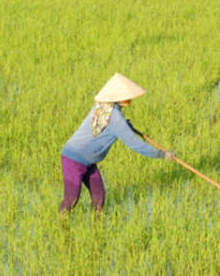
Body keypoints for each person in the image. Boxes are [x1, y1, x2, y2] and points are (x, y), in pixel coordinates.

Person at [59, 73, 175, 214]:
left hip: (89, 161)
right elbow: (136, 145)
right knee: (71, 199)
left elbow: (107, 127)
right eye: (128, 95)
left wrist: (126, 127)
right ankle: (60, 227)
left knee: (99, 197)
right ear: (119, 97)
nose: (131, 98)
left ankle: (98, 228)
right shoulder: (114, 117)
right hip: (74, 159)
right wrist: (162, 154)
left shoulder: (103, 107)